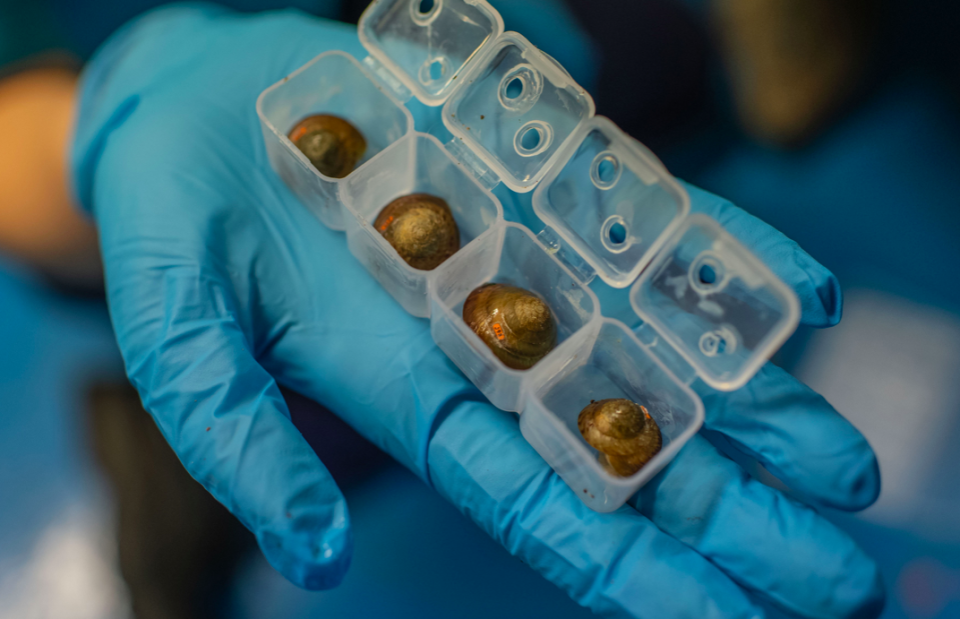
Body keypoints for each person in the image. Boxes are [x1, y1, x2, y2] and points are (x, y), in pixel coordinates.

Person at [1, 2, 885, 618]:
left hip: (476, 74)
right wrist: (104, 119)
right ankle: (179, 467)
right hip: (200, 163)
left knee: (660, 74)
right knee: (340, 354)